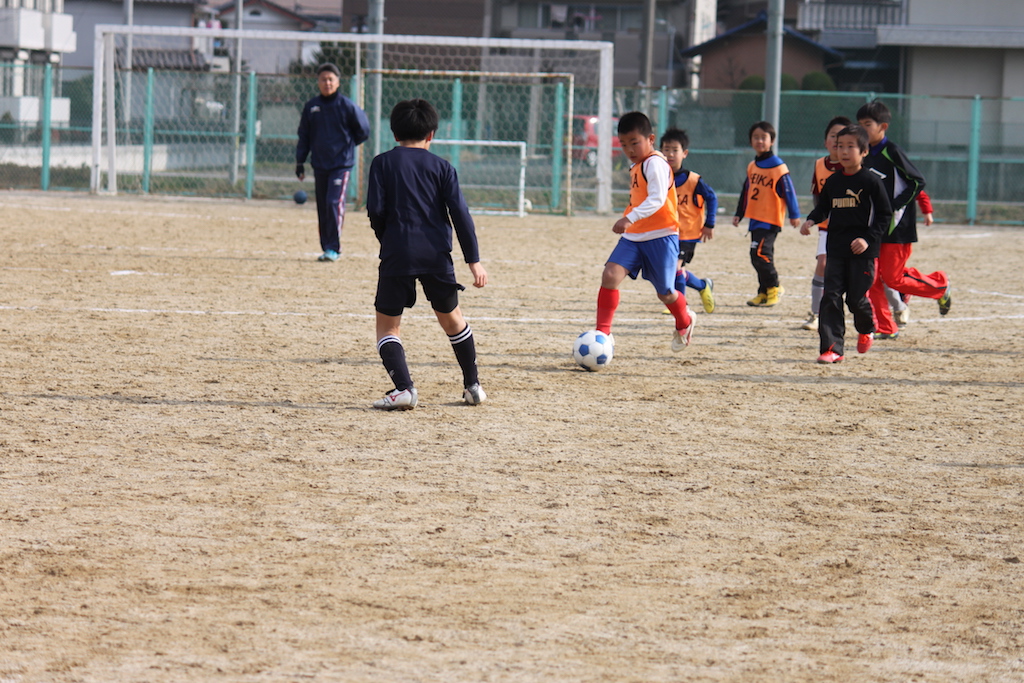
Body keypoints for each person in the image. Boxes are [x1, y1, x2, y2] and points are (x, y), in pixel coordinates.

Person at [365, 99, 488, 410]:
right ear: (431, 134)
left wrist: (386, 238)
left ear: (394, 133)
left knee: (388, 327)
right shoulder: (443, 167)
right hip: (436, 255)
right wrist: (473, 261)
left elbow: (375, 210)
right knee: (453, 320)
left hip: (397, 253)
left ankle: (404, 389)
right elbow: (461, 215)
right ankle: (473, 385)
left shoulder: (381, 163)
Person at [595, 111, 695, 352]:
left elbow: (657, 199)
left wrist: (629, 218)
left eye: (634, 142)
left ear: (650, 139)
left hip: (661, 236)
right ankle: (602, 334)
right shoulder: (637, 165)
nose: (629, 149)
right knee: (610, 275)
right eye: (623, 144)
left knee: (666, 293)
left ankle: (685, 320)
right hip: (634, 237)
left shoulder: (655, 163)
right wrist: (631, 222)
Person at [857, 100, 951, 341]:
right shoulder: (863, 153)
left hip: (896, 226)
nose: (862, 129)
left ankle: (939, 285)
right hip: (873, 226)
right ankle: (886, 327)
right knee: (872, 277)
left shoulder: (892, 151)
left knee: (893, 278)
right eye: (859, 124)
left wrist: (894, 205)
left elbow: (917, 181)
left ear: (883, 126)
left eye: (867, 124)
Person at [802, 125, 892, 364]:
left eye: (850, 146)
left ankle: (866, 328)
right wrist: (811, 220)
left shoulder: (871, 182)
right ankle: (832, 349)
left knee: (855, 299)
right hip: (836, 249)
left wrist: (867, 239)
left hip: (862, 252)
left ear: (864, 151)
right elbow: (823, 207)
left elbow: (884, 215)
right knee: (830, 296)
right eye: (839, 146)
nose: (843, 151)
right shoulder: (833, 181)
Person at [296, 63, 370, 262]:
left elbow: (363, 130)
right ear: (318, 82)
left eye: (331, 79)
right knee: (323, 207)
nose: (327, 83)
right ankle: (326, 247)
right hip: (320, 164)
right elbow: (304, 136)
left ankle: (334, 248)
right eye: (323, 79)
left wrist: (347, 146)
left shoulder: (347, 106)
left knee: (333, 202)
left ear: (338, 82)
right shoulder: (311, 107)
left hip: (341, 165)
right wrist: (300, 162)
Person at [732, 121, 802, 307]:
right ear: (750, 141)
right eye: (756, 137)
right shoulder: (752, 166)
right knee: (758, 256)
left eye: (764, 137)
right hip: (755, 218)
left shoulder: (778, 167)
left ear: (772, 141)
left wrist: (794, 214)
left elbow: (789, 192)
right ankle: (763, 292)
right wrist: (739, 213)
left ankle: (774, 287)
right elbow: (746, 191)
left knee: (759, 254)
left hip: (770, 219)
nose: (759, 141)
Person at [800, 116, 851, 331]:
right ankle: (815, 313)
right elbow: (817, 196)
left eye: (843, 138)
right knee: (822, 264)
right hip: (828, 227)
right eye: (833, 136)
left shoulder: (854, 167)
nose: (837, 142)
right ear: (825, 141)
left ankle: (895, 301)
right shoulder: (820, 164)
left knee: (858, 273)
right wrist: (815, 217)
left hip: (852, 228)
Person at [660, 128, 718, 314]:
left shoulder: (693, 180)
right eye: (666, 149)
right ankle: (702, 285)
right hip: (667, 233)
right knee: (673, 269)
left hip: (688, 234)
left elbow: (712, 198)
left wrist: (709, 223)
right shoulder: (659, 178)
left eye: (674, 150)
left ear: (684, 153)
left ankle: (680, 305)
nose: (670, 154)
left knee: (675, 267)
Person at [885, 189, 935, 327]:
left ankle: (899, 306)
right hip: (876, 232)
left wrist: (927, 212)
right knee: (880, 275)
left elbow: (919, 191)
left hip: (897, 235)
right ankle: (898, 305)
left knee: (887, 275)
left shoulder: (900, 181)